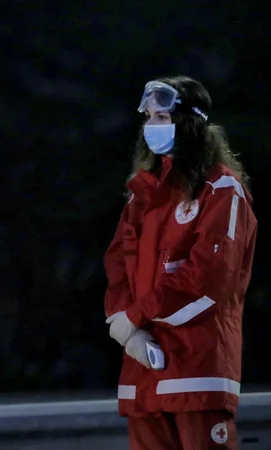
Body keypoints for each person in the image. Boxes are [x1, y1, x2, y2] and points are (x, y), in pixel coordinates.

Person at [104, 75, 257, 450]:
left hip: (198, 367)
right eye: (150, 118)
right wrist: (127, 330)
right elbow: (118, 267)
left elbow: (208, 280)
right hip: (144, 371)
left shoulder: (221, 191)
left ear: (190, 124)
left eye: (162, 118)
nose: (152, 128)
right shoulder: (143, 197)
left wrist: (135, 319)